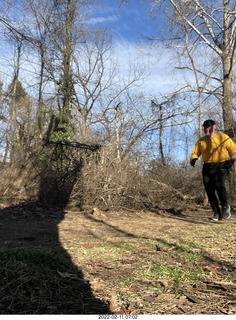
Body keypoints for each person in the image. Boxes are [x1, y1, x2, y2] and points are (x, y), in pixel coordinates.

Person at [190, 119, 236, 221]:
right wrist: (193, 159)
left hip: (221, 166)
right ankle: (216, 213)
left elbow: (233, 149)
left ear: (214, 127)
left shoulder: (223, 137)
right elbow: (195, 152)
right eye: (205, 128)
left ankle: (225, 207)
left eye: (209, 127)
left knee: (219, 185)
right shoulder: (201, 141)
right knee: (209, 190)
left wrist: (232, 160)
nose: (207, 129)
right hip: (207, 167)